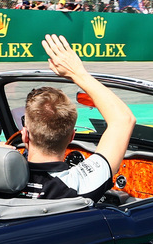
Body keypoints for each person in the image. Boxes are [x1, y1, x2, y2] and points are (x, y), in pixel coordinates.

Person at [19, 35, 135, 202]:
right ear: (71, 137)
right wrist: (78, 73)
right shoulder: (79, 184)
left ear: (25, 135)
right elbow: (123, 120)